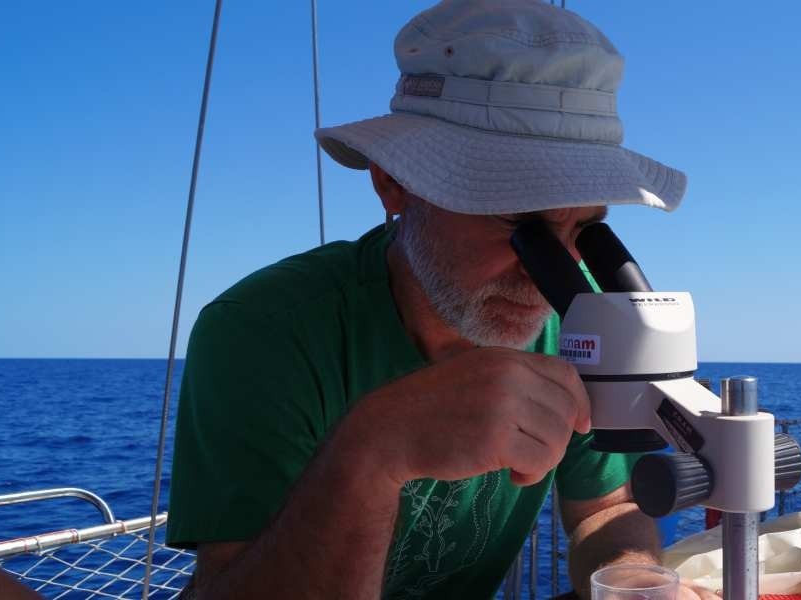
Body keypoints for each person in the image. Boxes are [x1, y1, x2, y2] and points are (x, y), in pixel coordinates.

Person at [167, 1, 716, 598]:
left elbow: (606, 511)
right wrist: (375, 451)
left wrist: (633, 581)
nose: (547, 280)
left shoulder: (576, 329)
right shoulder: (263, 334)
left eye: (583, 230)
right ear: (393, 183)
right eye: (519, 223)